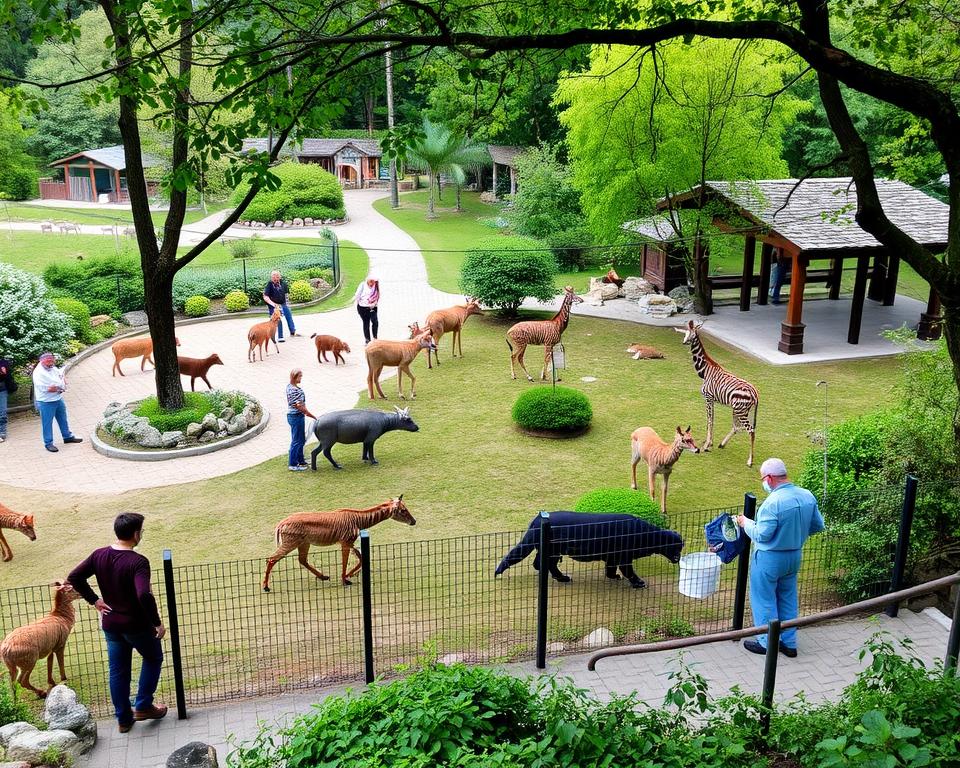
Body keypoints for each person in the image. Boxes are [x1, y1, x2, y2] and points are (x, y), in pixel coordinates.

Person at [68, 513, 167, 734]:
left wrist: (95, 601)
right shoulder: (138, 561)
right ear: (136, 534)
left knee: (118, 671)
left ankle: (123, 719)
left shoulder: (99, 555)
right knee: (153, 657)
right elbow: (144, 595)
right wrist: (157, 623)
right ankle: (143, 706)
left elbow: (74, 577)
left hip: (111, 625)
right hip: (137, 626)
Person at [737, 458, 825, 658]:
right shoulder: (807, 496)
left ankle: (767, 643)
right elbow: (818, 525)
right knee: (788, 598)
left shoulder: (772, 503)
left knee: (764, 599)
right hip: (794, 557)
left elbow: (761, 534)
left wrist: (745, 522)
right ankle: (790, 643)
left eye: (763, 478)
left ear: (768, 478)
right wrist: (797, 534)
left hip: (769, 558)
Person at [32, 352, 82, 453]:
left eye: (52, 360)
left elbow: (59, 375)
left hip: (58, 399)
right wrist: (59, 388)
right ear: (42, 361)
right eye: (49, 361)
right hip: (46, 402)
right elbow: (45, 388)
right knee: (47, 423)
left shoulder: (52, 367)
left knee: (63, 418)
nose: (51, 363)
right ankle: (48, 443)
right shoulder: (38, 373)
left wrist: (63, 380)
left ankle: (67, 437)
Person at [286, 368, 316, 471]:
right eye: (300, 376)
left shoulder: (290, 387)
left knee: (300, 439)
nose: (301, 378)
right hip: (296, 417)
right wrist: (310, 415)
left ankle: (301, 460)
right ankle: (293, 464)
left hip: (295, 416)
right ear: (295, 377)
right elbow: (299, 406)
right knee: (296, 441)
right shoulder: (295, 390)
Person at [262, 270, 298, 342]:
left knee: (288, 315)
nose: (275, 278)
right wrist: (274, 304)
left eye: (277, 277)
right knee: (278, 319)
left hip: (283, 303)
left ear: (280, 277)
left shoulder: (283, 283)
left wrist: (287, 303)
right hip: (273, 305)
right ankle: (280, 336)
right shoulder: (269, 284)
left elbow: (286, 294)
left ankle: (293, 331)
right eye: (273, 277)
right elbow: (265, 297)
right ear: (271, 277)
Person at [353, 275, 380, 344]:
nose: (372, 283)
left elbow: (377, 295)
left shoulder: (376, 285)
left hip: (373, 307)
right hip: (363, 308)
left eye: (373, 281)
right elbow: (357, 295)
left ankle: (375, 338)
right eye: (371, 281)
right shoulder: (362, 285)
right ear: (367, 280)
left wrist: (374, 303)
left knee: (375, 322)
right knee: (366, 323)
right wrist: (362, 303)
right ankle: (367, 340)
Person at [0, 356, 16, 443]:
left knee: (2, 413)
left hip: (1, 390)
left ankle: (2, 433)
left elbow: (6, 374)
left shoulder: (2, 362)